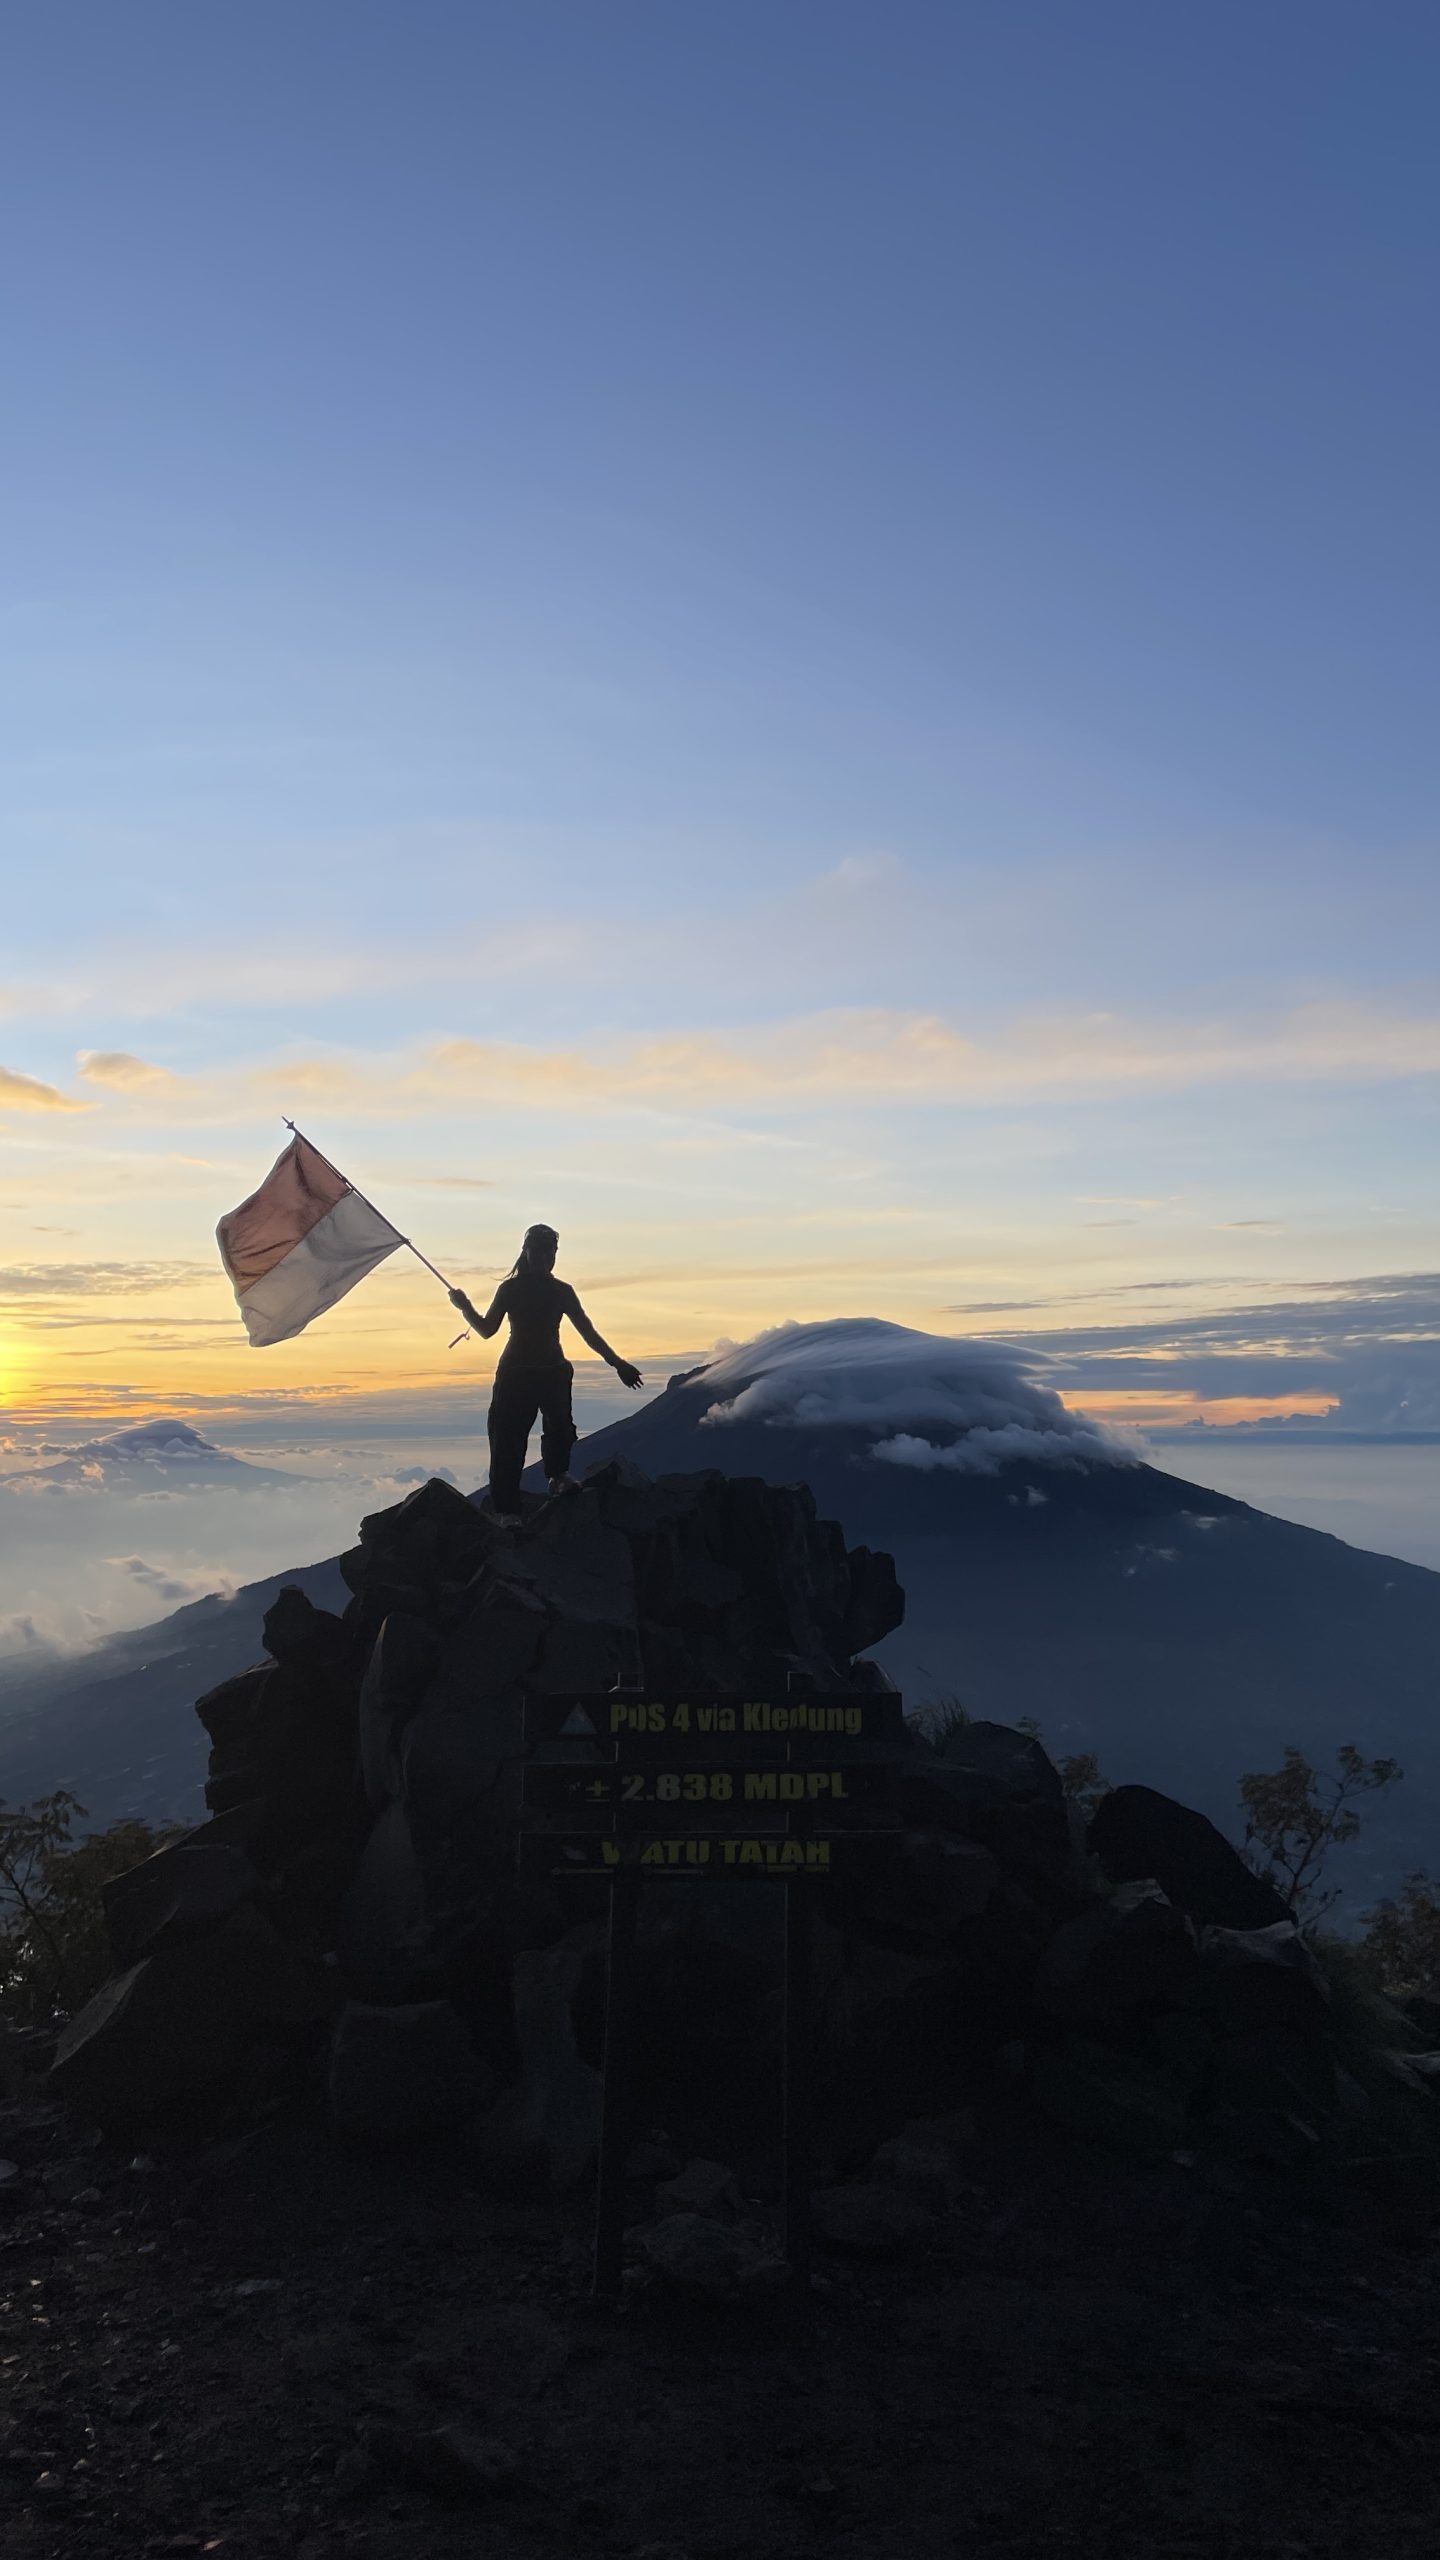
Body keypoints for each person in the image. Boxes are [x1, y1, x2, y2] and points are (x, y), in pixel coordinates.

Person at [449, 1226, 643, 1524]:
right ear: (526, 1252)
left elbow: (588, 1331)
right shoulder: (511, 1290)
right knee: (508, 1441)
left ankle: (557, 1477)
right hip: (517, 1373)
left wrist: (618, 1363)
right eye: (539, 1250)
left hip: (550, 1371)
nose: (544, 1257)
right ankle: (507, 1510)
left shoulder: (561, 1291)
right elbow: (488, 1330)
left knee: (561, 1428)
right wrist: (465, 1308)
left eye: (550, 1251)